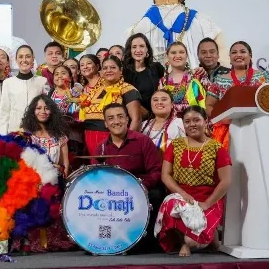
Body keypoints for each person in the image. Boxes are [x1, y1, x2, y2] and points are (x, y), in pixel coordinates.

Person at [156, 105, 231, 257]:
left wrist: (207, 203)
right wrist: (183, 194)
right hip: (182, 197)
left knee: (193, 241)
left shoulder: (217, 148)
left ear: (206, 122)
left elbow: (226, 181)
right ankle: (184, 242)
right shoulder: (175, 145)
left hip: (208, 199)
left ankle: (206, 237)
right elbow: (165, 175)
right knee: (171, 204)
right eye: (187, 121)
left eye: (196, 120)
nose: (192, 124)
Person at [95, 102, 164, 251]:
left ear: (127, 119)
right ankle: (106, 240)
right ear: (106, 123)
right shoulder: (101, 148)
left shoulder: (143, 141)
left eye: (120, 117)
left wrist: (139, 186)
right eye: (111, 118)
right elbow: (95, 178)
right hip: (112, 194)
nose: (116, 121)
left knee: (156, 195)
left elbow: (156, 171)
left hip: (140, 189)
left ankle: (145, 242)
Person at [15, 95, 74, 252]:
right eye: (39, 108)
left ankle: (51, 240)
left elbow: (65, 165)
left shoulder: (60, 135)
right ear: (33, 111)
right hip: (32, 182)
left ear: (52, 111)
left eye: (47, 108)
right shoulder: (26, 135)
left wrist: (56, 175)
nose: (43, 111)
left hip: (54, 182)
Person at [80, 55, 142, 155]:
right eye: (105, 68)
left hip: (115, 139)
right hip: (89, 138)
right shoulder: (94, 90)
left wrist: (126, 144)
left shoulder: (127, 89)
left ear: (121, 70)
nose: (108, 70)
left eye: (113, 67)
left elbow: (136, 120)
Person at [205, 41, 269, 116]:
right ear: (230, 57)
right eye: (234, 52)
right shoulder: (220, 80)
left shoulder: (264, 75)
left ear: (250, 55)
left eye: (242, 52)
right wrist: (222, 119)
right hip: (232, 123)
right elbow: (208, 105)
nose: (238, 55)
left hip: (263, 121)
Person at [0, 45, 47, 135]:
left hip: (37, 132)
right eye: (20, 57)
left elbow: (47, 109)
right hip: (14, 132)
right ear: (16, 60)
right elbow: (4, 112)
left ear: (33, 59)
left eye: (28, 56)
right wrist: (3, 136)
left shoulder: (42, 81)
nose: (24, 60)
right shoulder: (8, 83)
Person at [159, 42, 210, 117]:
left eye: (181, 52)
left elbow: (211, 100)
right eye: (173, 53)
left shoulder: (198, 75)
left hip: (196, 120)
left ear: (186, 55)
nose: (177, 56)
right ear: (167, 56)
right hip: (171, 122)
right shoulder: (163, 82)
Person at [122, 33, 165, 118]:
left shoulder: (156, 67)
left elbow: (167, 85)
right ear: (130, 50)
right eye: (134, 47)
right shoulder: (123, 72)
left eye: (141, 46)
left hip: (156, 116)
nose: (138, 50)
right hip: (131, 117)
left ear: (147, 49)